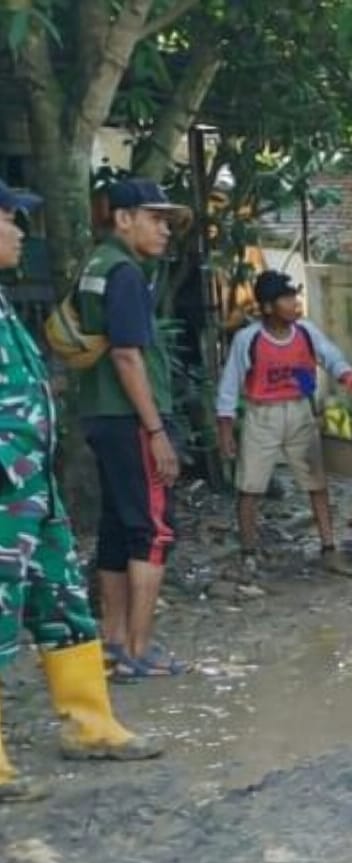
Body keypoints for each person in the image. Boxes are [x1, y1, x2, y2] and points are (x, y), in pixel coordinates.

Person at [0, 180, 161, 802]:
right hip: (6, 489)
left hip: (29, 488)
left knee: (62, 599)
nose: (19, 231)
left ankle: (90, 723)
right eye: (10, 220)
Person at [73, 179, 189, 681]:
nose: (165, 229)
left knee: (119, 529)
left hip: (100, 413)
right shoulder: (123, 273)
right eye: (155, 218)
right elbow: (126, 355)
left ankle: (114, 641)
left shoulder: (95, 266)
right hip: (130, 416)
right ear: (123, 219)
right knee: (151, 530)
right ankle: (138, 649)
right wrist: (156, 429)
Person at [216, 270, 352, 577]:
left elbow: (331, 356)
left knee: (317, 482)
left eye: (294, 297)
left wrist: (346, 374)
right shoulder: (249, 339)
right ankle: (248, 553)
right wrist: (226, 428)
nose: (294, 303)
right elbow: (229, 384)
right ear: (268, 307)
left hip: (300, 411)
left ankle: (328, 548)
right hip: (262, 415)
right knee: (250, 487)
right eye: (286, 298)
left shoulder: (307, 332)